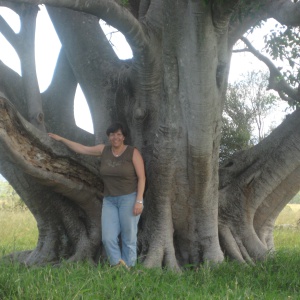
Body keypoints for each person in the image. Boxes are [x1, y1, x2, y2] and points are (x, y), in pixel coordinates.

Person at [48, 122, 146, 268]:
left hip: (129, 199)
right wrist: (61, 139)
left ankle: (130, 269)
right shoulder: (103, 150)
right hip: (110, 201)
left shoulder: (132, 152)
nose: (115, 137)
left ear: (124, 136)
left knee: (129, 237)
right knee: (108, 238)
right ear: (108, 136)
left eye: (119, 134)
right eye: (112, 134)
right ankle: (118, 266)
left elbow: (142, 177)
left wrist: (139, 201)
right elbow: (82, 149)